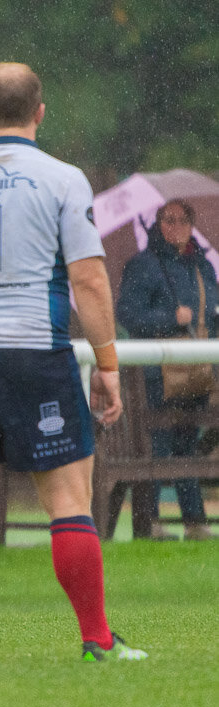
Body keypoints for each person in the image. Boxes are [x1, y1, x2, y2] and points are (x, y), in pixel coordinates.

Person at [0, 61, 145, 663]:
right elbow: (89, 280)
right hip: (36, 351)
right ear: (40, 112)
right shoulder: (62, 180)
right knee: (67, 499)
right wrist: (108, 365)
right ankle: (96, 639)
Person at [115, 198, 217, 541]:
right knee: (156, 444)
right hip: (155, 374)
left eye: (183, 219)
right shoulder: (143, 265)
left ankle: (194, 522)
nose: (176, 226)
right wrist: (169, 319)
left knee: (187, 445)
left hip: (197, 369)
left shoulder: (202, 267)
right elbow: (128, 315)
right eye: (169, 219)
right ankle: (151, 521)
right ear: (158, 225)